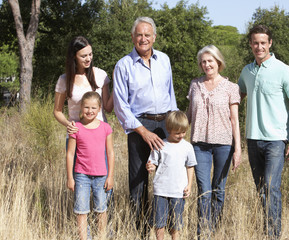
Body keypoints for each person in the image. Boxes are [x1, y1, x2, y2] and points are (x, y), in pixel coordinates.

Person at [113, 16, 177, 237]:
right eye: (139, 34)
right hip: (139, 126)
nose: (143, 39)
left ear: (154, 37)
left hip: (166, 124)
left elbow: (171, 95)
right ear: (132, 37)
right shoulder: (123, 65)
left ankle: (168, 229)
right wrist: (142, 131)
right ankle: (140, 231)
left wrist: (174, 127)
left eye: (147, 35)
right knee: (139, 181)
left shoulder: (165, 60)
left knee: (168, 179)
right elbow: (121, 105)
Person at [238, 25, 289, 238]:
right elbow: (236, 98)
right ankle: (267, 229)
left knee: (271, 188)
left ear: (270, 44)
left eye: (263, 43)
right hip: (252, 139)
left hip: (276, 140)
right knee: (261, 189)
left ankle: (273, 235)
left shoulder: (284, 70)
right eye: (255, 43)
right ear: (250, 44)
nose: (259, 47)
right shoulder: (246, 71)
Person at [53, 36, 114, 239]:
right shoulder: (65, 80)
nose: (88, 59)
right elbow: (57, 111)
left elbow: (107, 106)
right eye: (83, 55)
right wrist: (68, 125)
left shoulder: (100, 75)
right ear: (74, 57)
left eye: (90, 54)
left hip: (100, 138)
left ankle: (102, 234)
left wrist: (120, 85)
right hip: (78, 138)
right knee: (80, 192)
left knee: (103, 192)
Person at [187, 45, 242, 239]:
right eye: (203, 62)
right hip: (199, 144)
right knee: (204, 189)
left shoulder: (231, 87)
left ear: (218, 62)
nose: (206, 64)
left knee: (219, 188)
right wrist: (176, 132)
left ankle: (215, 228)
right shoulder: (195, 84)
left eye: (210, 61)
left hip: (223, 144)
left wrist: (238, 149)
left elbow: (235, 120)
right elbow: (189, 114)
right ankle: (204, 232)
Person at [66, 91, 115, 240]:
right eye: (86, 107)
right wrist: (70, 177)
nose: (90, 111)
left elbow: (110, 153)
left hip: (101, 176)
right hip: (82, 176)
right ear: (81, 107)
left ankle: (101, 236)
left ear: (99, 108)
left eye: (93, 108)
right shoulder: (76, 128)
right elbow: (70, 154)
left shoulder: (106, 128)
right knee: (81, 210)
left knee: (101, 209)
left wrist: (110, 176)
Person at [146, 111, 197, 240]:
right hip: (161, 190)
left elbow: (190, 166)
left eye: (184, 132)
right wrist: (150, 166)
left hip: (178, 191)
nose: (181, 135)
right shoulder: (160, 145)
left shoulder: (187, 147)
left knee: (176, 223)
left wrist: (189, 185)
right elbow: (152, 162)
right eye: (177, 133)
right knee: (159, 222)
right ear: (168, 129)